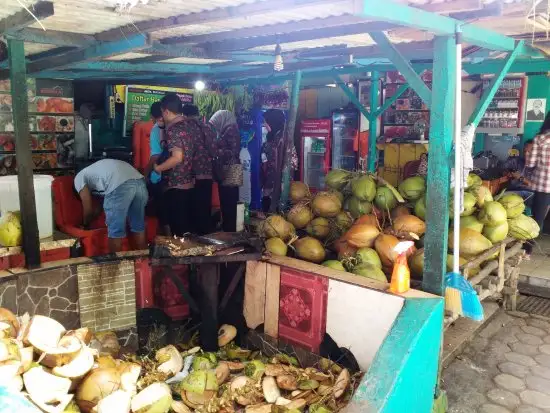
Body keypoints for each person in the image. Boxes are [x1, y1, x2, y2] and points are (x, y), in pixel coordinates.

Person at [74, 159, 148, 253]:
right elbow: (101, 206)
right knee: (138, 226)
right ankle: (144, 263)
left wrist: (84, 225)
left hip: (120, 183)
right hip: (140, 182)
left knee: (115, 232)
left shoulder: (78, 179)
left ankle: (116, 265)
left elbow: (87, 206)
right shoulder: (96, 173)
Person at [153, 93, 194, 237]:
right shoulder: (190, 125)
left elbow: (177, 158)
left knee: (179, 230)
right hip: (191, 183)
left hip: (176, 185)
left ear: (166, 111)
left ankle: (182, 259)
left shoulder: (173, 129)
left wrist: (158, 168)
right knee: (187, 229)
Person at [183, 104, 217, 235]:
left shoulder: (186, 127)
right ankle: (206, 236)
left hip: (192, 176)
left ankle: (193, 238)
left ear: (184, 115)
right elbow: (214, 149)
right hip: (207, 174)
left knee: (192, 208)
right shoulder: (208, 127)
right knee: (204, 207)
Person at [260, 109, 298, 213]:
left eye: (266, 121)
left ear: (273, 121)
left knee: (277, 205)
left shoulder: (284, 137)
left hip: (280, 179)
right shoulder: (272, 135)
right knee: (267, 200)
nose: (265, 125)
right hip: (270, 178)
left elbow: (292, 162)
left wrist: (284, 180)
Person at [209, 110, 241, 232]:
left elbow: (233, 151)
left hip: (230, 170)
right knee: (229, 201)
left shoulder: (230, 131)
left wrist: (216, 152)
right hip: (231, 169)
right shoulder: (228, 130)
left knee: (229, 202)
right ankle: (230, 227)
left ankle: (230, 230)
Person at [144, 102, 170, 235]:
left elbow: (155, 155)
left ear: (153, 116)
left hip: (159, 177)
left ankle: (167, 243)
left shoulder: (155, 129)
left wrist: (146, 172)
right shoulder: (174, 126)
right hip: (176, 178)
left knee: (162, 213)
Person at [526, 114, 550, 255]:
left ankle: (527, 251)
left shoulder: (539, 139)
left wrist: (529, 153)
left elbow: (530, 164)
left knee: (536, 220)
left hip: (543, 186)